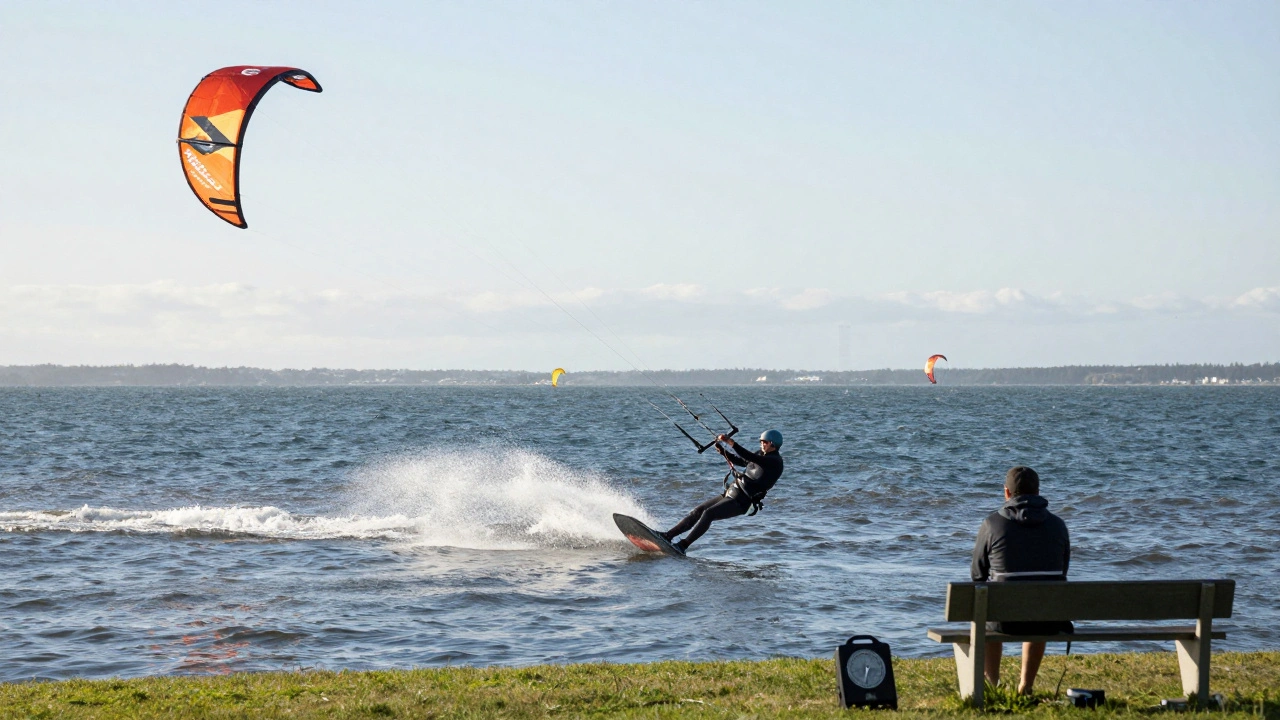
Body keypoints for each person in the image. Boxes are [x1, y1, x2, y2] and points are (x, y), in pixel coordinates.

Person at [971, 466, 1071, 695]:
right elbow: (1062, 571)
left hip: (1004, 620)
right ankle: (1025, 686)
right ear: (1038, 492)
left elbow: (977, 575)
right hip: (1047, 619)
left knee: (988, 609)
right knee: (1040, 600)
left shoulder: (992, 524)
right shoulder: (1058, 525)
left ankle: (992, 685)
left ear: (1006, 493)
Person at [660, 429, 784, 552]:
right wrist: (724, 452)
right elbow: (742, 461)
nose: (762, 444)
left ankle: (683, 546)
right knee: (699, 510)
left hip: (742, 502)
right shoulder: (760, 454)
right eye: (761, 441)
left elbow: (749, 456)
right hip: (732, 492)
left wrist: (731, 443)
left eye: (765, 442)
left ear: (773, 444)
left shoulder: (775, 462)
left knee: (709, 514)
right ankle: (668, 536)